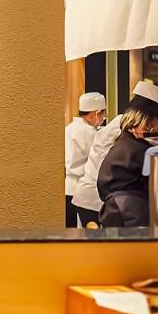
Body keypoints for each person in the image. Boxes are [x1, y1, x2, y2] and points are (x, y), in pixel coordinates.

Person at [97, 81, 158, 228]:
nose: (152, 132)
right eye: (149, 127)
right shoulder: (134, 145)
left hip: (115, 204)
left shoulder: (133, 140)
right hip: (126, 207)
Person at [65, 92, 106, 227]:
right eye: (103, 114)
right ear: (96, 113)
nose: (103, 118)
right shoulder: (91, 133)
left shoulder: (69, 128)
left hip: (66, 187)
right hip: (82, 190)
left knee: (68, 231)